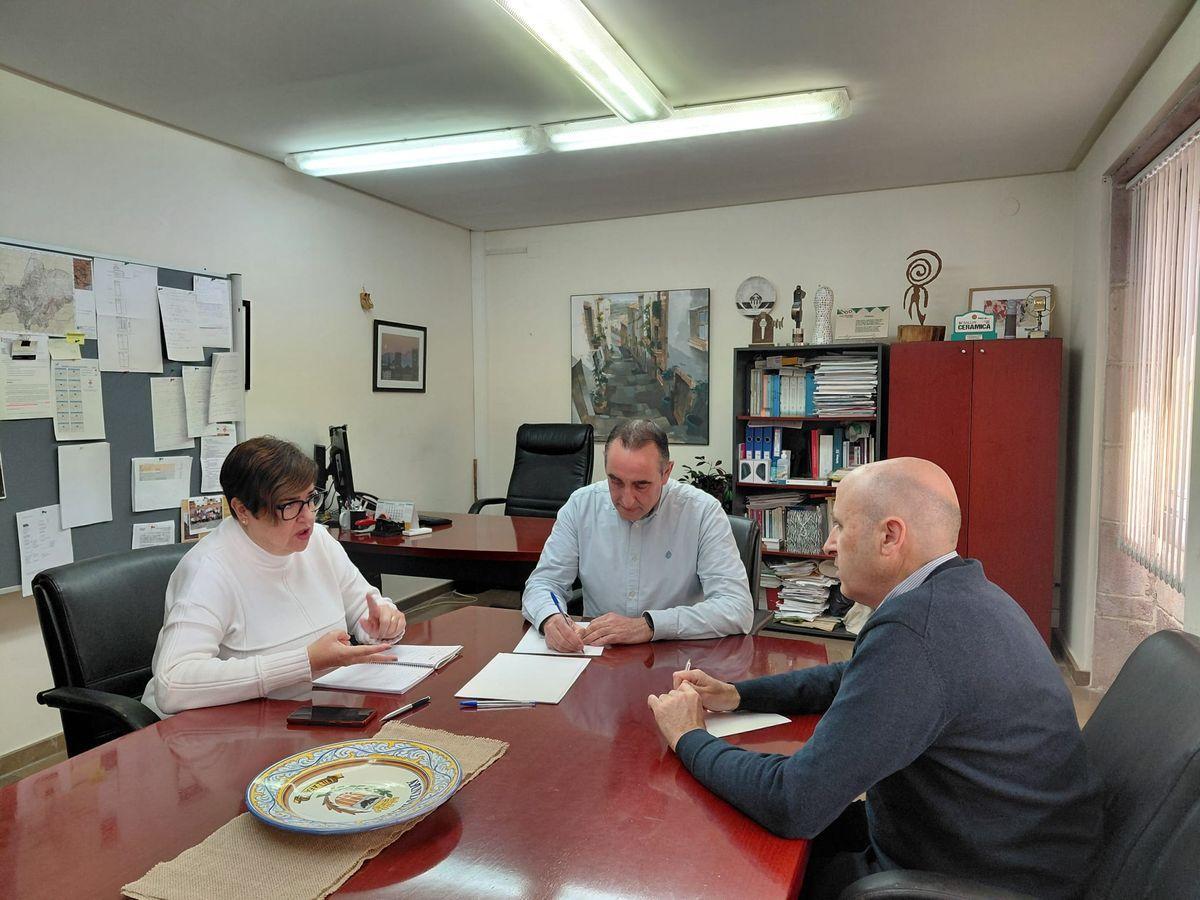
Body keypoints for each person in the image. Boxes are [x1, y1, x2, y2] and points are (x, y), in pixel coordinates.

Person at [647, 457, 1102, 899]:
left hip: (971, 877)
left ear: (889, 536)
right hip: (998, 848)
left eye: (840, 525)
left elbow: (794, 802)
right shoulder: (965, 594)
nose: (828, 544)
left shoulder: (917, 631)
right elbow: (853, 676)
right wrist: (736, 695)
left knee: (738, 863)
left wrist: (689, 736)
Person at [144, 436, 406, 715]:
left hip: (316, 710)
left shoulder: (318, 540)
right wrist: (305, 662)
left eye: (310, 499)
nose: (308, 517)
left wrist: (381, 623)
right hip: (237, 727)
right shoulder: (209, 570)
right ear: (243, 510)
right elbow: (172, 684)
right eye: (289, 506)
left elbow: (363, 608)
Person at [522, 418, 753, 652]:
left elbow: (736, 607)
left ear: (666, 472)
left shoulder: (702, 512)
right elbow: (544, 583)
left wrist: (648, 626)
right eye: (616, 481)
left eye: (641, 485)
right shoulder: (581, 506)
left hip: (675, 658)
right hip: (598, 656)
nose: (627, 500)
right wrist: (550, 618)